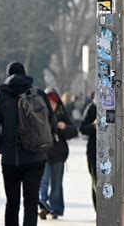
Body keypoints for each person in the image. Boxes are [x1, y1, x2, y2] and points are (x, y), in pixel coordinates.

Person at [0, 62, 54, 226]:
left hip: (11, 160)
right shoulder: (38, 93)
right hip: (36, 157)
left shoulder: (1, 96)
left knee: (12, 203)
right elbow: (51, 121)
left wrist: (1, 147)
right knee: (31, 203)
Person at [39, 89, 78, 220]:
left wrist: (64, 127)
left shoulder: (62, 114)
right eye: (49, 102)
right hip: (43, 153)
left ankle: (55, 208)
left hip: (58, 154)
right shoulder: (40, 114)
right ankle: (43, 206)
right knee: (43, 182)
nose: (52, 105)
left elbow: (74, 131)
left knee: (56, 184)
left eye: (54, 103)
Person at [79, 99, 97, 210]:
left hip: (114, 152)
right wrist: (94, 125)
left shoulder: (118, 106)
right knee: (96, 180)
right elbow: (82, 128)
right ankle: (98, 209)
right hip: (94, 151)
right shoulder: (92, 107)